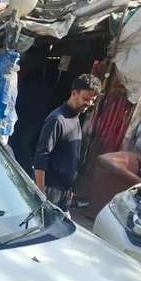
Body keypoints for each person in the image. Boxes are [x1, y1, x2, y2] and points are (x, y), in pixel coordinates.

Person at [34, 73, 101, 210]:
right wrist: (41, 195)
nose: (88, 104)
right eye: (85, 99)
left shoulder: (75, 118)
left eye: (92, 100)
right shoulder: (57, 119)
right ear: (74, 93)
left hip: (64, 193)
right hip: (50, 191)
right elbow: (41, 158)